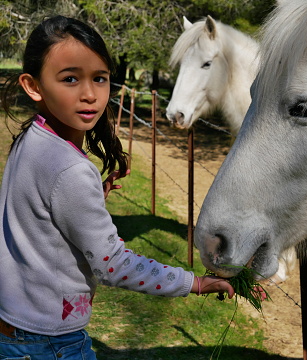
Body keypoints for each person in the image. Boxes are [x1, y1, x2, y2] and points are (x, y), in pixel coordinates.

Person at [0, 15, 235, 359]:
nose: (90, 95)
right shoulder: (70, 170)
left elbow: (39, 212)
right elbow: (113, 264)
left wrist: (92, 196)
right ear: (33, 86)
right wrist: (193, 283)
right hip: (49, 342)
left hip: (14, 325)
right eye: (69, 79)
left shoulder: (30, 139)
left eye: (100, 78)